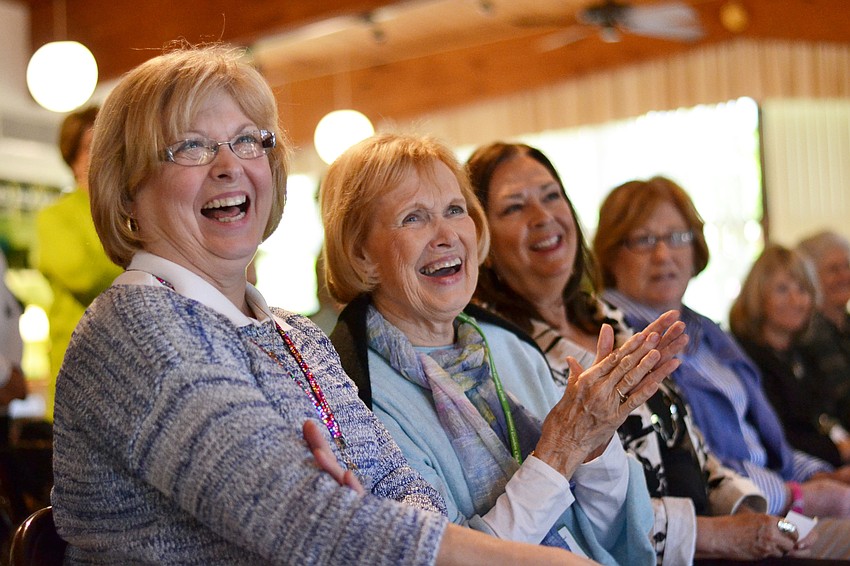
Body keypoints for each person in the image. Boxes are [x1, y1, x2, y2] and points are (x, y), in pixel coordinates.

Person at [51, 44, 588, 565]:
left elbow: (397, 487)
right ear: (126, 194)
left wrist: (358, 524)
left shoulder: (295, 333)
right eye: (191, 146)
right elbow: (300, 517)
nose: (228, 166)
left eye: (247, 141)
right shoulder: (132, 330)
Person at [322, 133, 686, 564]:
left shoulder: (509, 346)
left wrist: (595, 439)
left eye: (455, 210)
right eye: (414, 217)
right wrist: (560, 448)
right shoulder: (354, 399)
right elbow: (451, 558)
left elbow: (610, 534)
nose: (446, 235)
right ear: (361, 254)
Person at [465, 142, 807, 563]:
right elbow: (575, 511)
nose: (543, 217)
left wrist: (749, 511)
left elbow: (691, 443)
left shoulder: (607, 316)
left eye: (552, 196)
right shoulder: (498, 351)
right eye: (514, 207)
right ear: (481, 237)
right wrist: (714, 535)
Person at [593, 175, 850, 558]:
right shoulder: (617, 340)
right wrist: (800, 495)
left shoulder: (706, 331)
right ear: (612, 254)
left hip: (775, 500)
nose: (664, 254)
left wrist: (819, 474)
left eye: (677, 237)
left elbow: (766, 441)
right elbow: (700, 466)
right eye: (644, 240)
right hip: (726, 520)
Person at [35, 105, 123, 420]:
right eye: (90, 147)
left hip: (131, 375)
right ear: (73, 159)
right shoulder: (55, 217)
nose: (103, 155)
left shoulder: (130, 208)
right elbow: (85, 277)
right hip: (78, 377)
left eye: (110, 144)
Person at [731, 243, 850, 466]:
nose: (796, 301)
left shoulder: (802, 353)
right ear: (759, 296)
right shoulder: (747, 359)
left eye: (802, 290)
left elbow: (826, 413)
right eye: (782, 290)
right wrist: (837, 451)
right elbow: (776, 436)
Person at [797, 230, 850, 430]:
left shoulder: (845, 324)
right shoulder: (810, 333)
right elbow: (841, 397)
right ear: (812, 278)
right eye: (834, 270)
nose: (844, 276)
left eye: (847, 266)